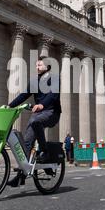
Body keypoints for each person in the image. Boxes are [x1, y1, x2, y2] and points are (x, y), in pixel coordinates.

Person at [6, 57, 62, 187]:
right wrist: (10, 106)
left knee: (36, 121)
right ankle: (21, 176)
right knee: (26, 143)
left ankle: (45, 151)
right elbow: (23, 95)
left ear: (47, 67)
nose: (37, 67)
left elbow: (53, 95)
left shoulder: (54, 78)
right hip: (38, 113)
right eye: (36, 65)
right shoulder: (34, 81)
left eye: (39, 65)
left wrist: (42, 105)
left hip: (51, 112)